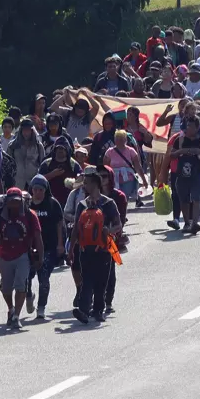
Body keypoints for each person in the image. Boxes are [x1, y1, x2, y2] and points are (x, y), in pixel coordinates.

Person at [70, 168, 121, 323]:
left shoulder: (108, 203)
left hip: (104, 249)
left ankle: (98, 310)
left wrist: (109, 231)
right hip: (85, 249)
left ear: (96, 184)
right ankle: (84, 310)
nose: (84, 186)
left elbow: (118, 225)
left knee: (101, 281)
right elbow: (76, 228)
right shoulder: (82, 205)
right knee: (86, 280)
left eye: (87, 183)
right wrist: (71, 249)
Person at [0, 188, 44, 329]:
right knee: (6, 288)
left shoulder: (30, 215)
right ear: (6, 201)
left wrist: (40, 258)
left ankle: (16, 316)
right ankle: (11, 308)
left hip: (23, 254)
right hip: (4, 256)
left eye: (17, 201)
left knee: (21, 284)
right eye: (11, 201)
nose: (14, 204)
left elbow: (38, 237)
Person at [27, 175, 64, 320]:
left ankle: (41, 307)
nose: (38, 192)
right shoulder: (27, 204)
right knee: (26, 277)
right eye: (35, 189)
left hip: (49, 246)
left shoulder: (52, 203)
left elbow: (59, 224)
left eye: (41, 189)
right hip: (29, 248)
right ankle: (28, 295)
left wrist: (60, 243)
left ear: (45, 190)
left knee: (43, 278)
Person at [166, 115, 200, 235]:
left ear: (197, 127)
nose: (188, 128)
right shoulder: (179, 139)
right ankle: (186, 222)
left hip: (198, 174)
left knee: (197, 199)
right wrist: (181, 152)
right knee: (183, 199)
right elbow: (171, 155)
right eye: (187, 125)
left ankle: (194, 223)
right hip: (182, 174)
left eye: (191, 126)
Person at [103, 129, 148, 209]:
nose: (119, 141)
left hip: (128, 179)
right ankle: (118, 214)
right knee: (114, 198)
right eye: (117, 139)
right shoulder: (109, 152)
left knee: (124, 197)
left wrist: (144, 180)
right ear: (115, 140)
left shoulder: (131, 151)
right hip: (114, 179)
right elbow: (105, 168)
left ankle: (122, 215)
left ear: (125, 140)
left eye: (121, 139)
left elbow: (138, 167)